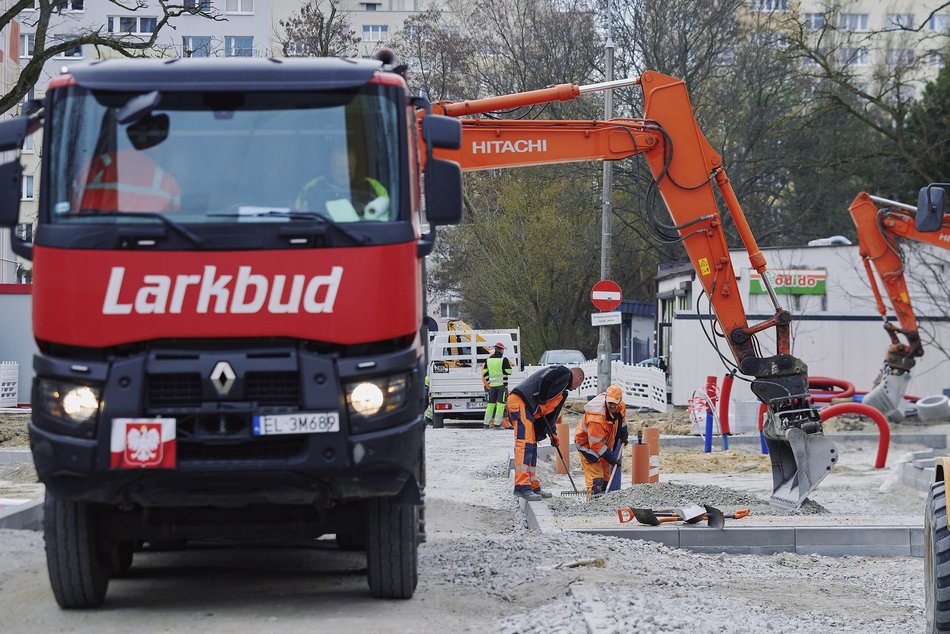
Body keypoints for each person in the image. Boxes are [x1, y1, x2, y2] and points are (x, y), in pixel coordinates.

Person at [507, 364, 585, 501]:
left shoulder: (561, 393)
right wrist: (542, 402)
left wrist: (552, 433)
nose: (577, 388)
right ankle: (521, 486)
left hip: (527, 408)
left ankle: (532, 486)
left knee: (531, 446)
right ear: (578, 377)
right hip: (520, 402)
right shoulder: (563, 372)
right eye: (579, 384)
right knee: (524, 445)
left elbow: (550, 417)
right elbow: (546, 379)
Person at [294, 146, 390, 221]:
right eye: (339, 168)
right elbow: (299, 214)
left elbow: (388, 212)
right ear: (330, 166)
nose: (345, 172)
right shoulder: (312, 186)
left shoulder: (372, 185)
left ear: (356, 165)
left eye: (349, 168)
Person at [76, 148, 181, 213]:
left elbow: (71, 205)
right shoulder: (167, 181)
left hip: (93, 236)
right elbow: (175, 221)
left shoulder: (93, 166)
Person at [575, 384, 629, 496]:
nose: (612, 406)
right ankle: (592, 505)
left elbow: (622, 422)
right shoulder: (596, 418)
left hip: (603, 445)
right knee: (596, 480)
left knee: (605, 479)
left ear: (620, 400)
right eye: (610, 403)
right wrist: (611, 458)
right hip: (588, 447)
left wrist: (624, 436)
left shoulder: (621, 407)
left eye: (615, 403)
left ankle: (602, 505)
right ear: (606, 399)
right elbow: (595, 445)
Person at [481, 342, 513, 430]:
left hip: (492, 387)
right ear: (501, 350)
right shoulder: (503, 360)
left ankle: (486, 424)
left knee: (490, 405)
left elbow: (484, 372)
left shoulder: (488, 360)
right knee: (500, 405)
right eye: (503, 350)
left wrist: (489, 381)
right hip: (501, 386)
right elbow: (509, 372)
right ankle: (497, 425)